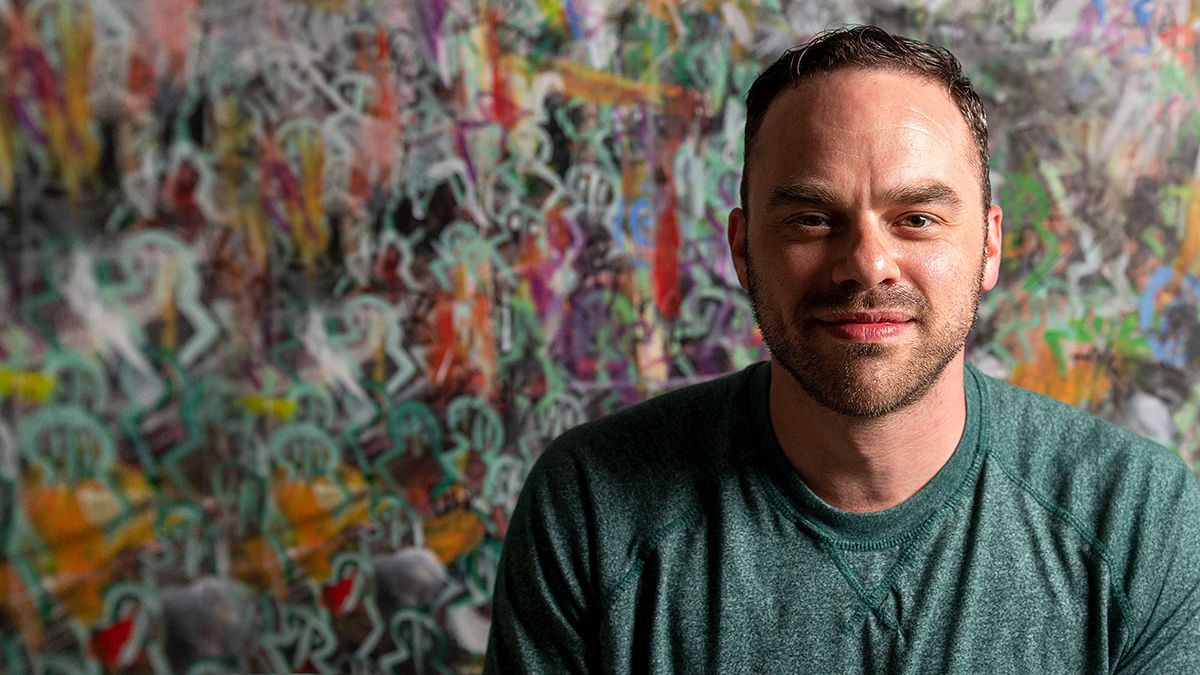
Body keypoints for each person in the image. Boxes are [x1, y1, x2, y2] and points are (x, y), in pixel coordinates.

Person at [483, 25, 1200, 673]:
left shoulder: (1139, 520)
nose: (867, 263)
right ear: (742, 251)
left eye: (916, 218)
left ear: (989, 245)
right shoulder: (590, 509)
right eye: (811, 219)